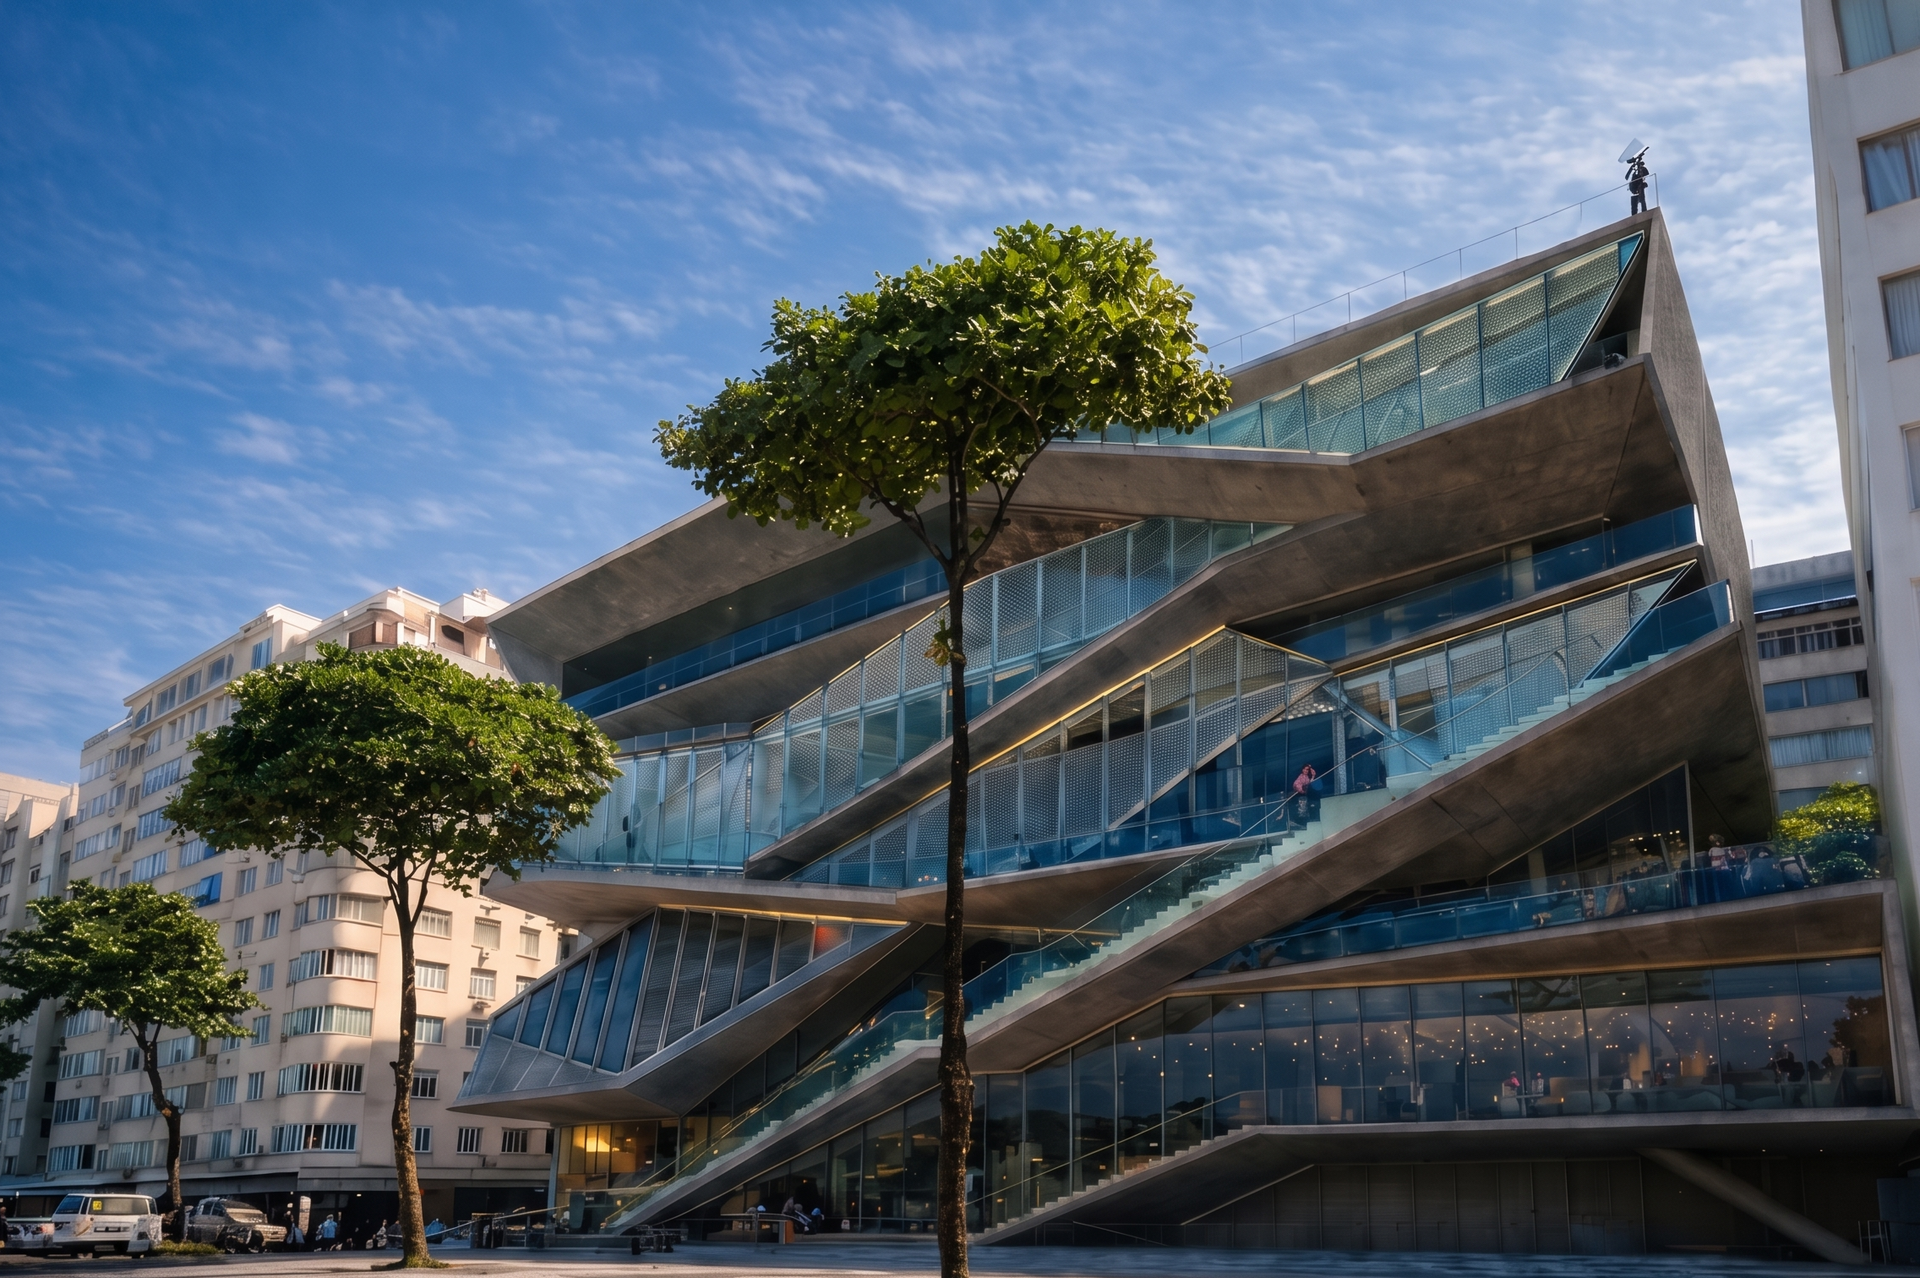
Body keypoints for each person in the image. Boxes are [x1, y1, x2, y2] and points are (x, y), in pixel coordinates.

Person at [1627, 150, 1649, 215]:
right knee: (1635, 202)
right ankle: (1635, 215)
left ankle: (1644, 212)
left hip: (1640, 186)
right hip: (1635, 187)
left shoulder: (1641, 169)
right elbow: (1628, 177)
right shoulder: (1634, 171)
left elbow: (1646, 173)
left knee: (1642, 199)